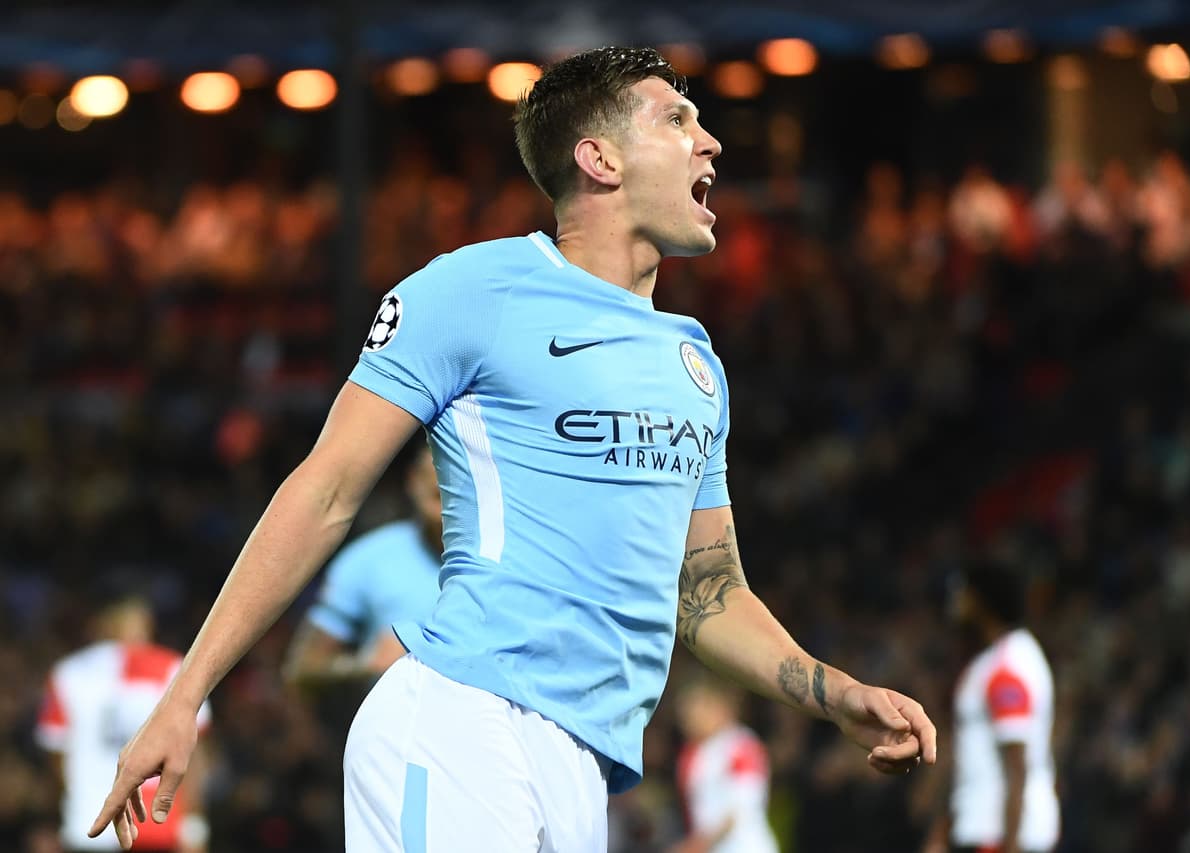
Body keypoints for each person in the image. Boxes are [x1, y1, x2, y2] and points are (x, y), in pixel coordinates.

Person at [90, 46, 936, 852]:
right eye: (677, 120)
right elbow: (325, 490)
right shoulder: (470, 290)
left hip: (583, 762)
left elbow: (708, 591)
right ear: (599, 159)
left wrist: (836, 693)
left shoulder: (696, 363)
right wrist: (185, 693)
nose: (710, 140)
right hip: (461, 718)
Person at [38, 595, 211, 853]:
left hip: (91, 820)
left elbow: (56, 754)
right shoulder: (175, 669)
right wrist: (194, 823)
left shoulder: (68, 673)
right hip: (157, 820)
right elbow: (193, 754)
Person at [282, 444, 444, 689]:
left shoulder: (513, 560)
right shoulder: (365, 561)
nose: (446, 506)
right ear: (414, 481)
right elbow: (302, 668)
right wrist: (366, 664)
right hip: (395, 722)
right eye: (437, 494)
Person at [923, 562, 1058, 853]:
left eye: (963, 593)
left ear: (981, 600)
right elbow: (971, 757)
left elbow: (1017, 764)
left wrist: (1011, 846)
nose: (956, 602)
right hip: (982, 832)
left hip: (1002, 839)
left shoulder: (1009, 665)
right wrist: (940, 833)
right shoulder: (989, 661)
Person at [672, 675, 778, 853]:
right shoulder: (691, 754)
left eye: (697, 708)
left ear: (718, 707)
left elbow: (741, 808)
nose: (689, 718)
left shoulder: (742, 745)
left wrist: (696, 845)